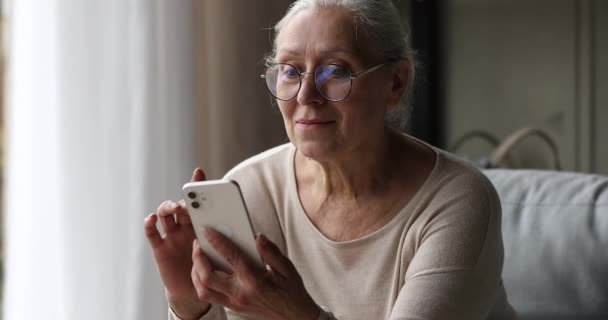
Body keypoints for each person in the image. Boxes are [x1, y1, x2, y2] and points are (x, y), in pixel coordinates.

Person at [144, 0, 517, 319]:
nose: (306, 94)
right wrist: (188, 302)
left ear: (396, 83)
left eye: (336, 71)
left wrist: (298, 313)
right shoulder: (250, 189)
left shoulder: (458, 202)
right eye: (290, 71)